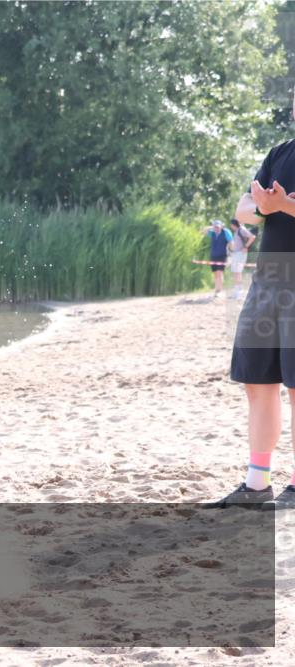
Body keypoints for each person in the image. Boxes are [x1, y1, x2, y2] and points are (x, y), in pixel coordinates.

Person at [207, 87, 295, 510]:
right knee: (258, 380)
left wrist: (283, 206)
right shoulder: (280, 152)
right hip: (269, 281)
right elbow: (244, 206)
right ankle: (257, 484)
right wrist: (263, 207)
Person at [202, 219, 233, 297]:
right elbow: (203, 230)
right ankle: (217, 289)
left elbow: (231, 242)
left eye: (218, 227)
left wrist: (230, 254)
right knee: (215, 274)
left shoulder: (226, 232)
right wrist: (211, 227)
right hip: (213, 255)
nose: (217, 228)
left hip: (222, 255)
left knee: (219, 273)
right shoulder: (212, 233)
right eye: (215, 227)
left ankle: (219, 290)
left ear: (221, 226)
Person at [228, 218, 255, 299]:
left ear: (233, 224)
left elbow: (252, 237)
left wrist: (246, 246)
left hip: (241, 253)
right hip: (236, 253)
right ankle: (236, 291)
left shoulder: (241, 229)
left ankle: (240, 292)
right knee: (235, 272)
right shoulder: (236, 231)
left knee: (238, 272)